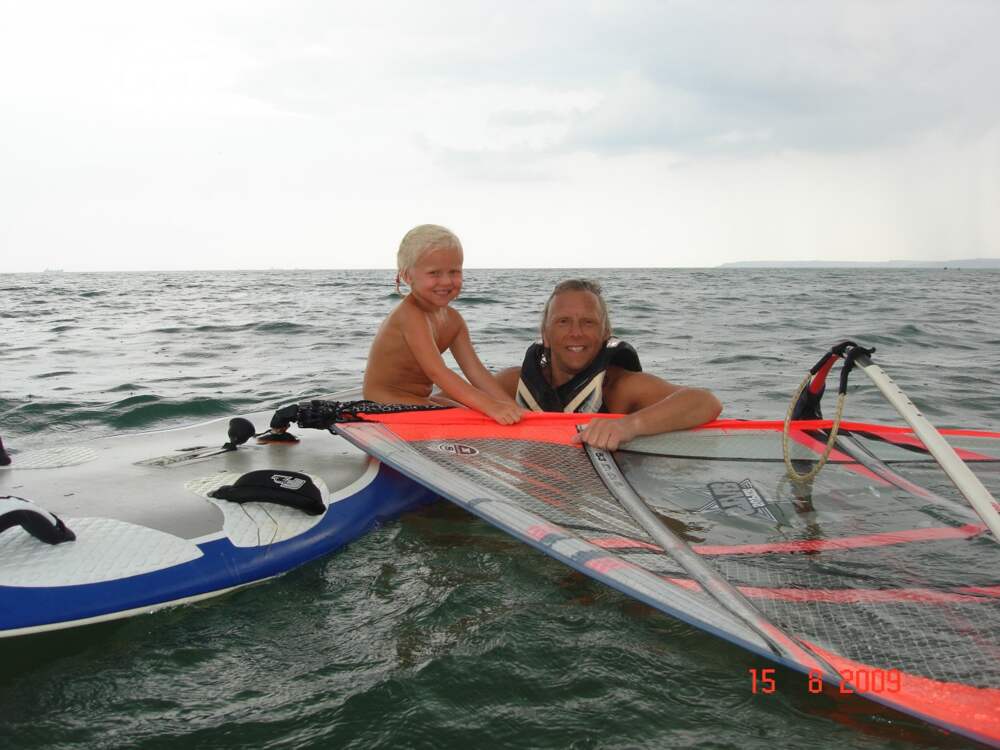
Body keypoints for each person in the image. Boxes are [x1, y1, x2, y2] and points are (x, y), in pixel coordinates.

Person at [495, 279, 722, 449]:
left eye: (588, 322)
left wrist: (629, 426)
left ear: (606, 333)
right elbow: (471, 402)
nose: (576, 333)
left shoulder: (621, 388)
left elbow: (705, 402)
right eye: (563, 322)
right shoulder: (512, 384)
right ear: (545, 334)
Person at [363, 224, 524, 425]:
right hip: (383, 401)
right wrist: (491, 406)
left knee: (465, 410)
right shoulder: (411, 316)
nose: (447, 281)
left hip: (416, 398)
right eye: (434, 273)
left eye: (454, 271)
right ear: (407, 276)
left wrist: (510, 405)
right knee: (464, 418)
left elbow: (475, 371)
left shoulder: (454, 321)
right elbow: (437, 372)